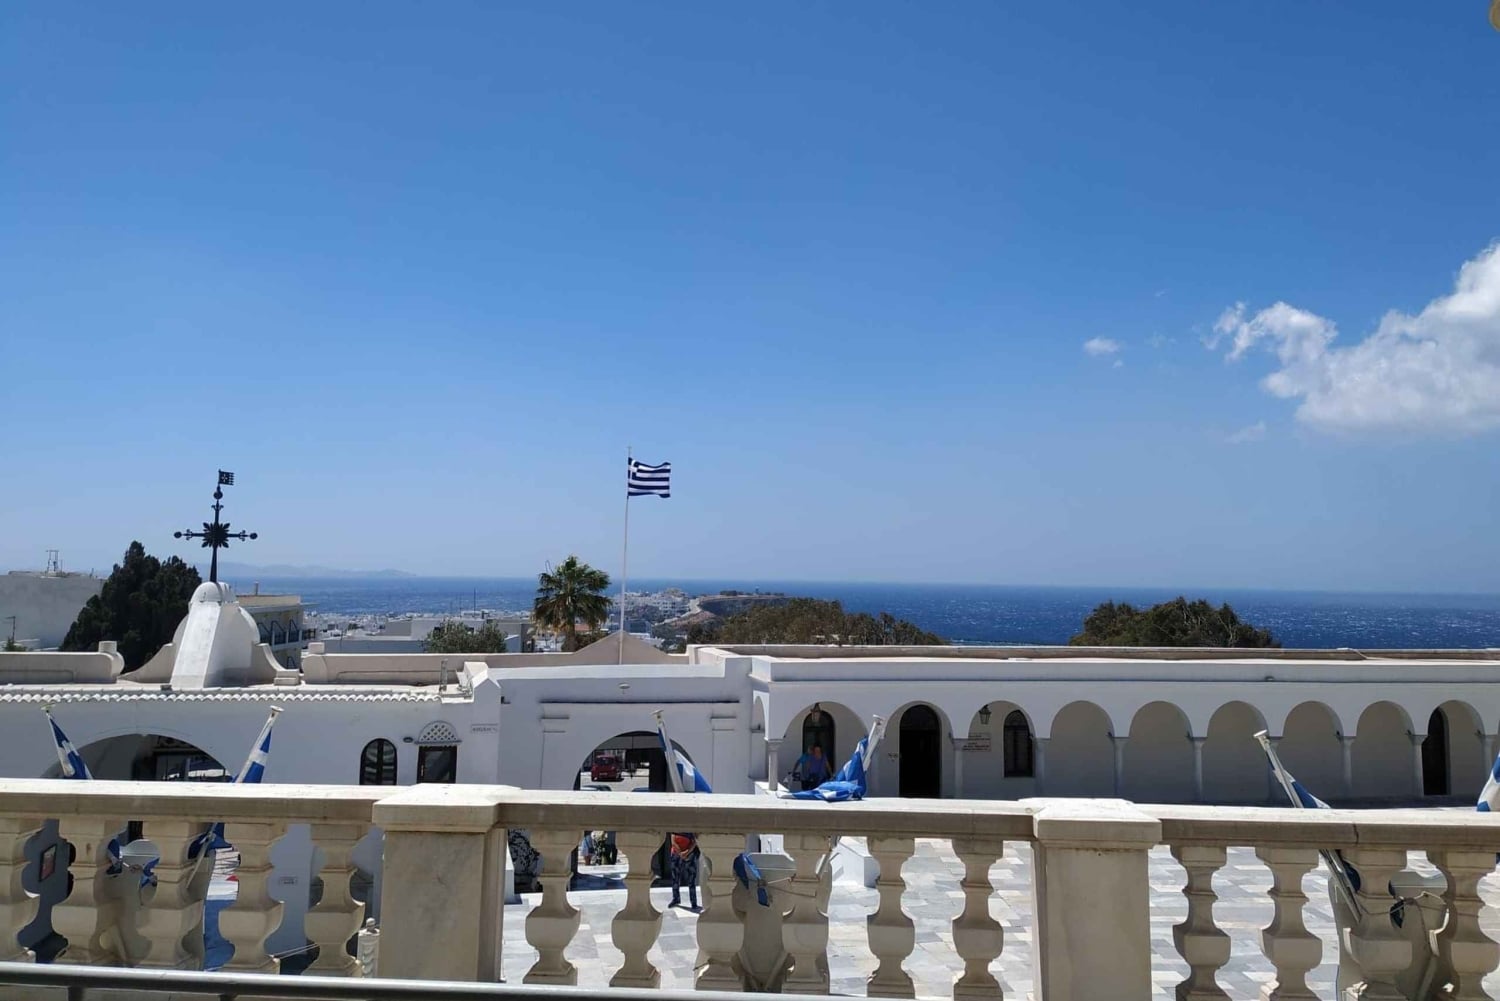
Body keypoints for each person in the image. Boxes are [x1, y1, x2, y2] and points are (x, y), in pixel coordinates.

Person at [668, 832, 699, 910]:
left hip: (689, 855)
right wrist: (680, 854)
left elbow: (695, 841)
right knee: (675, 878)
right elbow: (673, 842)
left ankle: (693, 902)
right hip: (676, 854)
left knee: (691, 879)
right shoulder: (674, 829)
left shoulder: (690, 828)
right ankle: (676, 899)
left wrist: (687, 852)